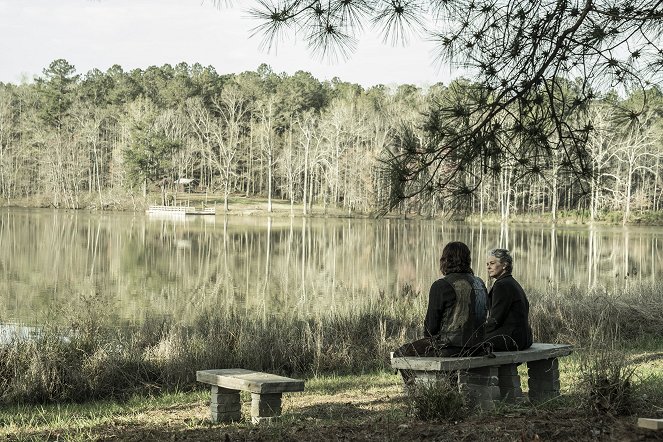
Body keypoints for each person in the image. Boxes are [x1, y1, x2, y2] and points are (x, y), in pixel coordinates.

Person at [394, 241, 488, 358]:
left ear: (445, 260)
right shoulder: (480, 283)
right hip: (479, 347)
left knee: (402, 353)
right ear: (468, 260)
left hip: (451, 348)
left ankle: (418, 377)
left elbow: (430, 328)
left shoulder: (441, 285)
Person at [484, 248, 533, 351]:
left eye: (492, 263)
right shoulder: (512, 282)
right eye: (487, 264)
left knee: (471, 341)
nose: (488, 267)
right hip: (525, 338)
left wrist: (478, 332)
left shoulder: (502, 285)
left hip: (512, 339)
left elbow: (495, 319)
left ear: (504, 265)